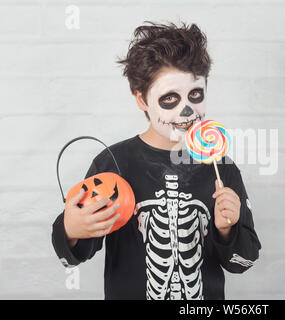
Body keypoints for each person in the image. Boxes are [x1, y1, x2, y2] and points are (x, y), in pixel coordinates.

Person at [51, 22, 261, 300]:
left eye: (195, 95)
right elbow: (75, 255)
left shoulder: (220, 166)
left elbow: (242, 262)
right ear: (141, 98)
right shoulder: (113, 163)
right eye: (170, 98)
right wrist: (71, 230)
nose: (187, 110)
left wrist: (227, 230)